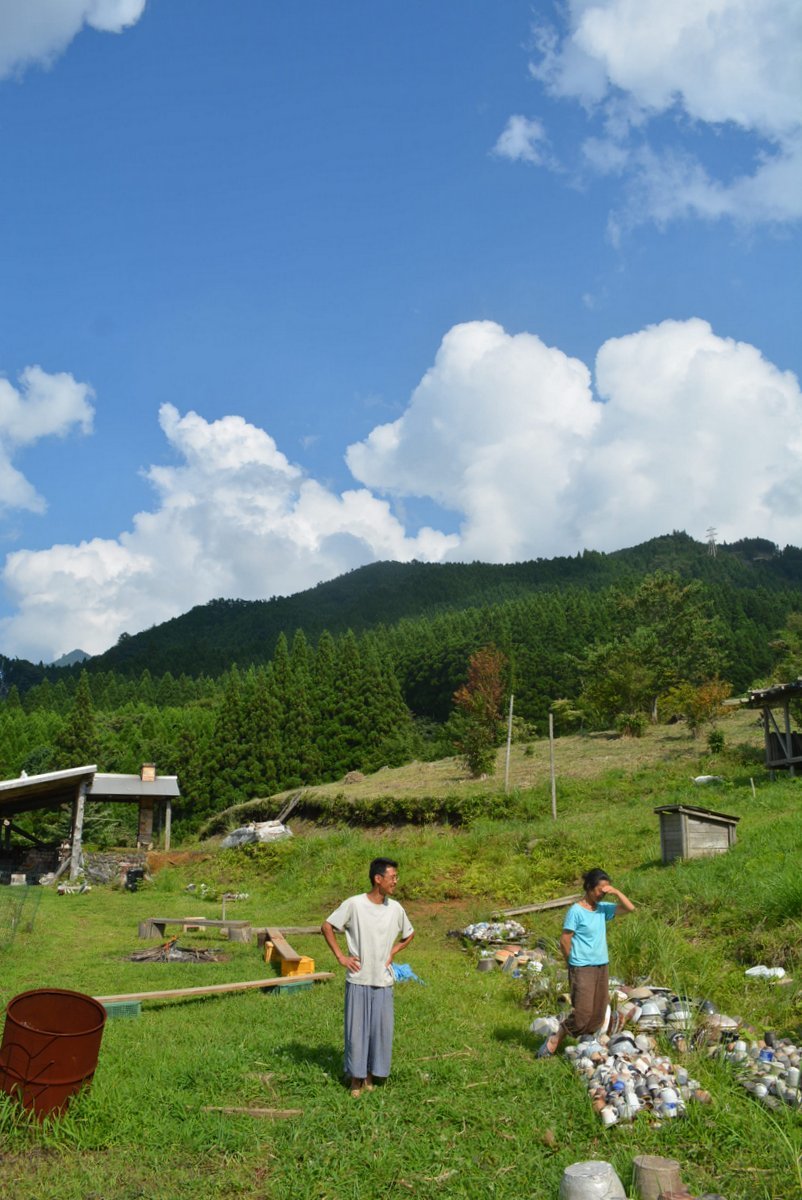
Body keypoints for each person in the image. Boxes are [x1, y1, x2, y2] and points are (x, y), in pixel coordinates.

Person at [322, 857, 415, 1096]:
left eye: (396, 877)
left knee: (379, 1031)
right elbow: (327, 926)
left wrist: (393, 951)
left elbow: (409, 934)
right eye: (392, 877)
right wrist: (341, 957)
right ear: (378, 879)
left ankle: (371, 1075)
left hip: (383, 980)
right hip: (359, 978)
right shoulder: (354, 904)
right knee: (357, 1032)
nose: (396, 881)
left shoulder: (395, 909)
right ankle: (356, 1079)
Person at [537, 867, 635, 1057]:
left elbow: (630, 908)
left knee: (598, 1015)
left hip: (601, 966)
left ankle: (584, 1051)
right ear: (589, 887)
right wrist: (571, 963)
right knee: (582, 1015)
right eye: (600, 890)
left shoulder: (602, 909)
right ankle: (557, 1036)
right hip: (582, 967)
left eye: (606, 890)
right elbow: (565, 940)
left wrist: (615, 892)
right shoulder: (576, 911)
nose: (602, 894)